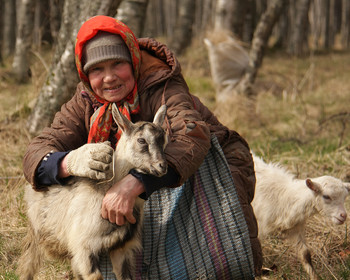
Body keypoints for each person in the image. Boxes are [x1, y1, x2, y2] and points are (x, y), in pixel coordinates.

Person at [23, 15, 262, 278]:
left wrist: (134, 183)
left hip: (211, 169)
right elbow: (38, 152)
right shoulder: (85, 101)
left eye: (117, 65)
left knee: (217, 263)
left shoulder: (161, 85)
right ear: (85, 74)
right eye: (97, 70)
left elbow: (192, 136)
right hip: (149, 177)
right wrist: (69, 162)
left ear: (133, 61)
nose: (109, 78)